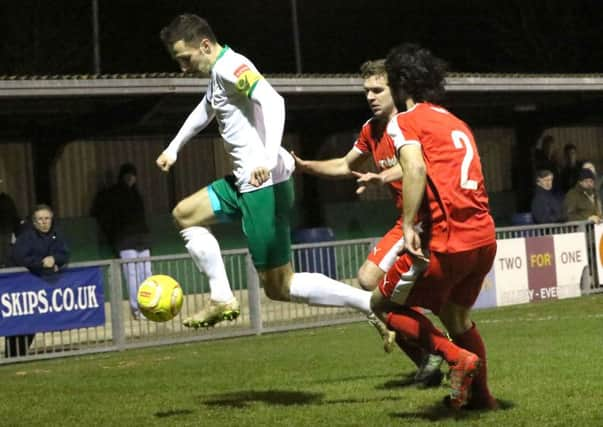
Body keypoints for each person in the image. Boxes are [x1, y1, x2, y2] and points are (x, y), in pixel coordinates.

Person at [156, 14, 378, 332]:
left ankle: (367, 303)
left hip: (261, 185)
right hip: (249, 181)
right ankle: (221, 297)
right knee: (184, 215)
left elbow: (273, 101)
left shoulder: (232, 67)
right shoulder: (220, 71)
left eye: (185, 58)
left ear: (204, 45)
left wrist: (266, 156)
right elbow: (206, 108)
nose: (183, 68)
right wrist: (174, 148)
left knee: (279, 287)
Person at [292, 59, 443, 386]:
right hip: (406, 221)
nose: (371, 97)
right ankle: (428, 356)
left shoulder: (411, 122)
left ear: (396, 90)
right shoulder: (370, 130)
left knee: (395, 294)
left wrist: (383, 175)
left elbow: (419, 165)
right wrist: (305, 166)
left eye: (378, 90)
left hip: (432, 220)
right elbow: (344, 165)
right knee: (368, 282)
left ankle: (437, 350)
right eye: (366, 91)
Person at [367, 43, 498, 410]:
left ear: (401, 85)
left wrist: (408, 223)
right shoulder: (454, 121)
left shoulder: (405, 121)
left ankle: (456, 359)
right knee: (457, 317)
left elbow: (416, 168)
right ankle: (482, 400)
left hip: (449, 239)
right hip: (484, 238)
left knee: (382, 304)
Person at [91, 162, 152, 319]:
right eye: (128, 175)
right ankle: (137, 309)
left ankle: (147, 305)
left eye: (133, 175)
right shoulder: (115, 194)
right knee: (132, 274)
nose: (131, 178)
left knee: (146, 273)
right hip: (126, 240)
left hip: (140, 239)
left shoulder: (136, 194)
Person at [9, 204, 70, 357]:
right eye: (40, 219)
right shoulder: (26, 236)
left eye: (47, 218)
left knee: (33, 322)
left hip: (42, 287)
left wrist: (54, 259)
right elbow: (19, 257)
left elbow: (64, 254)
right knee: (19, 322)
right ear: (34, 221)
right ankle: (13, 355)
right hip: (22, 285)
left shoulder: (56, 234)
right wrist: (42, 263)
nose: (44, 222)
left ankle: (19, 354)